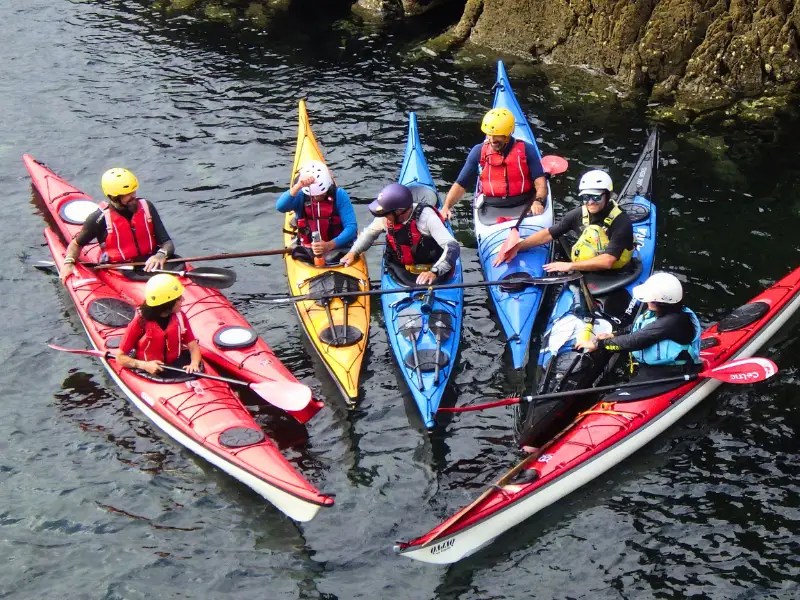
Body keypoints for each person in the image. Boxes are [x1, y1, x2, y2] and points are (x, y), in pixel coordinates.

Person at [493, 169, 634, 271]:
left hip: (616, 271)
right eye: (585, 197)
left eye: (596, 197)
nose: (590, 202)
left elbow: (608, 261)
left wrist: (569, 265)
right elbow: (549, 233)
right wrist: (518, 246)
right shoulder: (578, 214)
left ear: (607, 196)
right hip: (586, 265)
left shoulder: (621, 222)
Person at [575, 272, 701, 380]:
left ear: (663, 302)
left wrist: (599, 344)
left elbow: (635, 341)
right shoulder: (660, 311)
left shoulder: (672, 321)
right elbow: (638, 327)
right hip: (651, 366)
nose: (647, 301)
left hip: (674, 370)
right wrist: (614, 334)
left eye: (651, 299)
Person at [59, 168, 175, 282]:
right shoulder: (99, 218)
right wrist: (69, 262)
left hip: (151, 263)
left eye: (133, 191)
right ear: (114, 197)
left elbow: (167, 242)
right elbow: (76, 245)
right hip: (119, 270)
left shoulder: (147, 207)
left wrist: (160, 255)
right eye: (127, 194)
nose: (133, 196)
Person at [340, 183, 460, 285]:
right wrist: (353, 252)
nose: (384, 217)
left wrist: (434, 272)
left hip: (432, 268)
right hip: (401, 270)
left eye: (386, 214)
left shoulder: (427, 218)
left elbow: (453, 247)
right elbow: (369, 234)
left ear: (399, 212)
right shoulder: (387, 217)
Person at [440, 108, 548, 220]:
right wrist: (446, 207)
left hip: (525, 203)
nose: (491, 139)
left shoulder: (527, 150)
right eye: (489, 135)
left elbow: (540, 182)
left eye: (496, 135)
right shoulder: (478, 151)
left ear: (507, 135)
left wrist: (538, 201)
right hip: (491, 207)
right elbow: (461, 184)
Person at [115, 273, 202, 376]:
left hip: (175, 364)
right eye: (179, 298)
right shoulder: (140, 321)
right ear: (167, 303)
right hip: (148, 370)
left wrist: (194, 364)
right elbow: (120, 357)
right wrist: (144, 365)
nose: (183, 300)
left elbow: (193, 346)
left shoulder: (180, 316)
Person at [276, 159, 358, 264]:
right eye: (313, 195)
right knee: (299, 254)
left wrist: (329, 245)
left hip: (338, 248)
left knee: (330, 258)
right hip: (308, 248)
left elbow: (351, 227)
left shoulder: (339, 195)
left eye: (320, 194)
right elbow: (280, 207)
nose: (316, 197)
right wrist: (298, 186)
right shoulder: (301, 194)